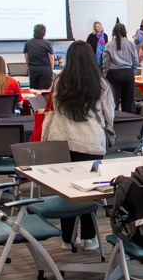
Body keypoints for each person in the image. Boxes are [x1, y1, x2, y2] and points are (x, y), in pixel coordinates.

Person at [42, 40, 114, 250]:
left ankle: (67, 238)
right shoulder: (100, 83)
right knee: (90, 192)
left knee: (66, 191)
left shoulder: (59, 80)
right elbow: (109, 114)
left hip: (61, 142)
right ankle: (89, 238)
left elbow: (55, 108)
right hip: (90, 142)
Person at [103, 23, 139, 113]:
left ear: (114, 33)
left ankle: (114, 122)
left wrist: (105, 75)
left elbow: (106, 63)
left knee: (113, 101)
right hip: (128, 73)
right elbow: (136, 61)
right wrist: (132, 72)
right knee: (129, 102)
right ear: (125, 32)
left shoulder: (109, 45)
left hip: (114, 74)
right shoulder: (131, 44)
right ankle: (129, 122)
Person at [23, 24, 55, 90]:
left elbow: (26, 57)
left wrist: (28, 67)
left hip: (33, 69)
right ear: (44, 33)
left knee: (33, 90)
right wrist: (51, 70)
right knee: (44, 91)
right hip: (45, 69)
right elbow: (51, 57)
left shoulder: (28, 43)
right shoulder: (47, 43)